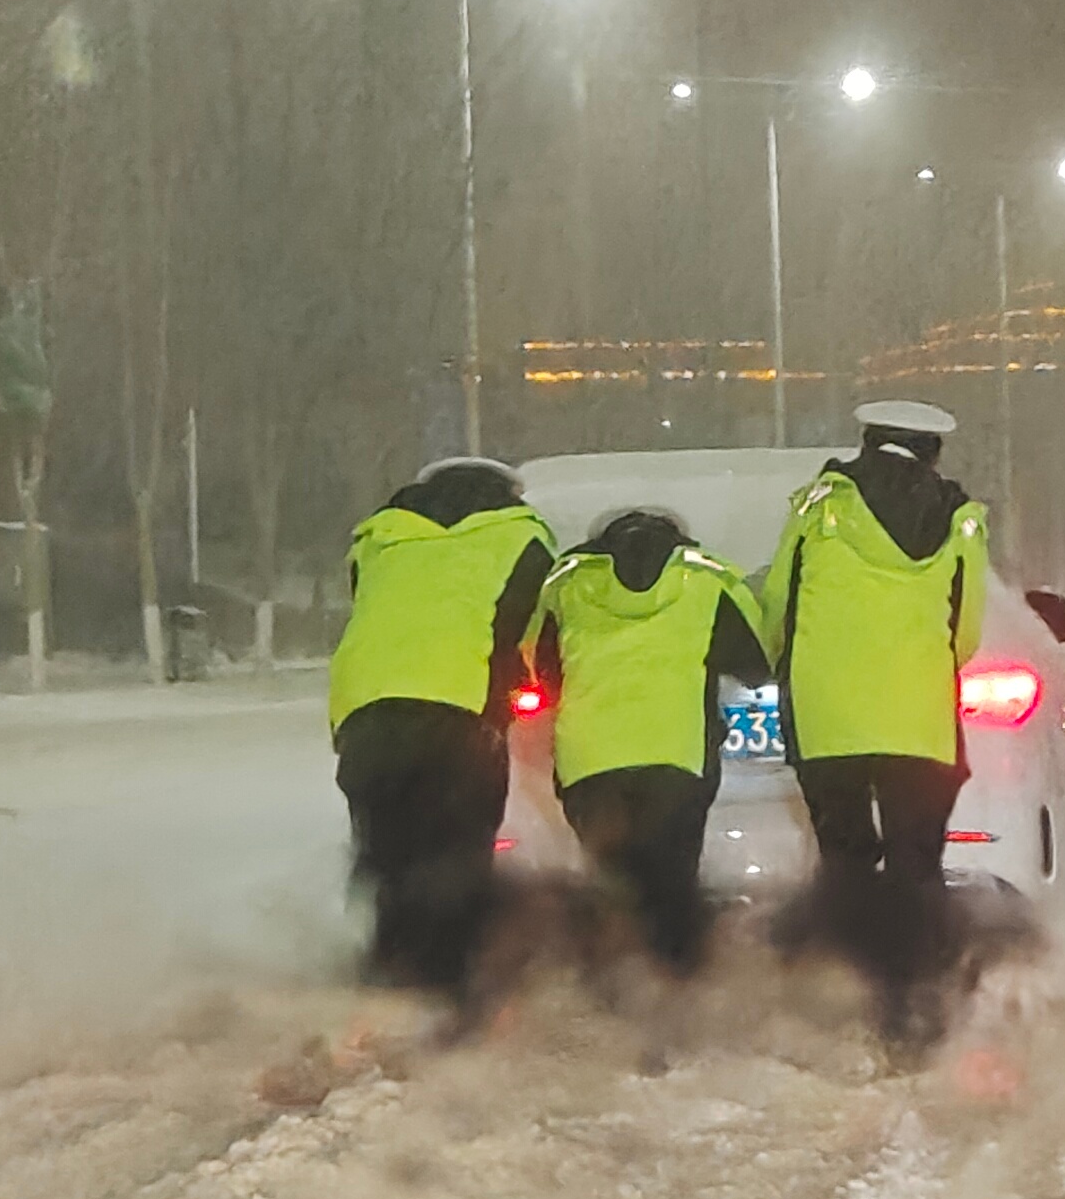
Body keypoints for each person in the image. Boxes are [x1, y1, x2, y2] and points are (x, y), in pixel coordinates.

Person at [761, 399, 990, 1033]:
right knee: (917, 864)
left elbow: (778, 601)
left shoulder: (817, 506)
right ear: (932, 451)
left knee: (846, 858)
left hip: (827, 711)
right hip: (918, 720)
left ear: (867, 442)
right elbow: (965, 627)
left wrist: (792, 664)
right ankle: (918, 1004)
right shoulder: (961, 519)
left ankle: (846, 997)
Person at [326, 456, 555, 989]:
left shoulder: (379, 536)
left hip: (366, 717)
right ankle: (452, 990)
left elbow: (375, 606)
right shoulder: (523, 538)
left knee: (389, 853)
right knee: (458, 859)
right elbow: (537, 629)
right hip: (458, 719)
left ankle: (387, 979)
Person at [530, 507, 768, 967]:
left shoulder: (566, 584)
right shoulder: (707, 580)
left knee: (612, 885)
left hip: (590, 764)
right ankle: (672, 990)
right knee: (673, 885)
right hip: (675, 759)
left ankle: (613, 987)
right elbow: (755, 664)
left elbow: (540, 669)